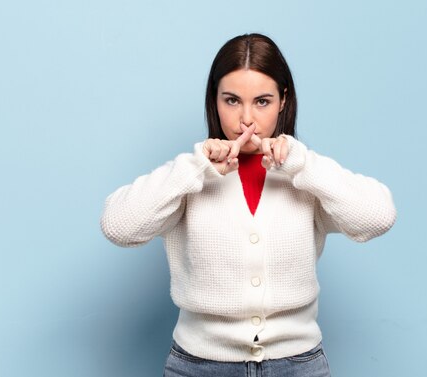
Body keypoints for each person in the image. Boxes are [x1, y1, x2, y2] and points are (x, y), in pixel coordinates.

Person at [100, 33, 397, 377]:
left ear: (283, 101)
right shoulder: (191, 175)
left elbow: (379, 215)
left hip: (298, 365)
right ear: (214, 100)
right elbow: (117, 225)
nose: (246, 119)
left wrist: (303, 164)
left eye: (262, 101)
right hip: (200, 366)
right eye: (231, 101)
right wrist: (195, 167)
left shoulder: (305, 174)